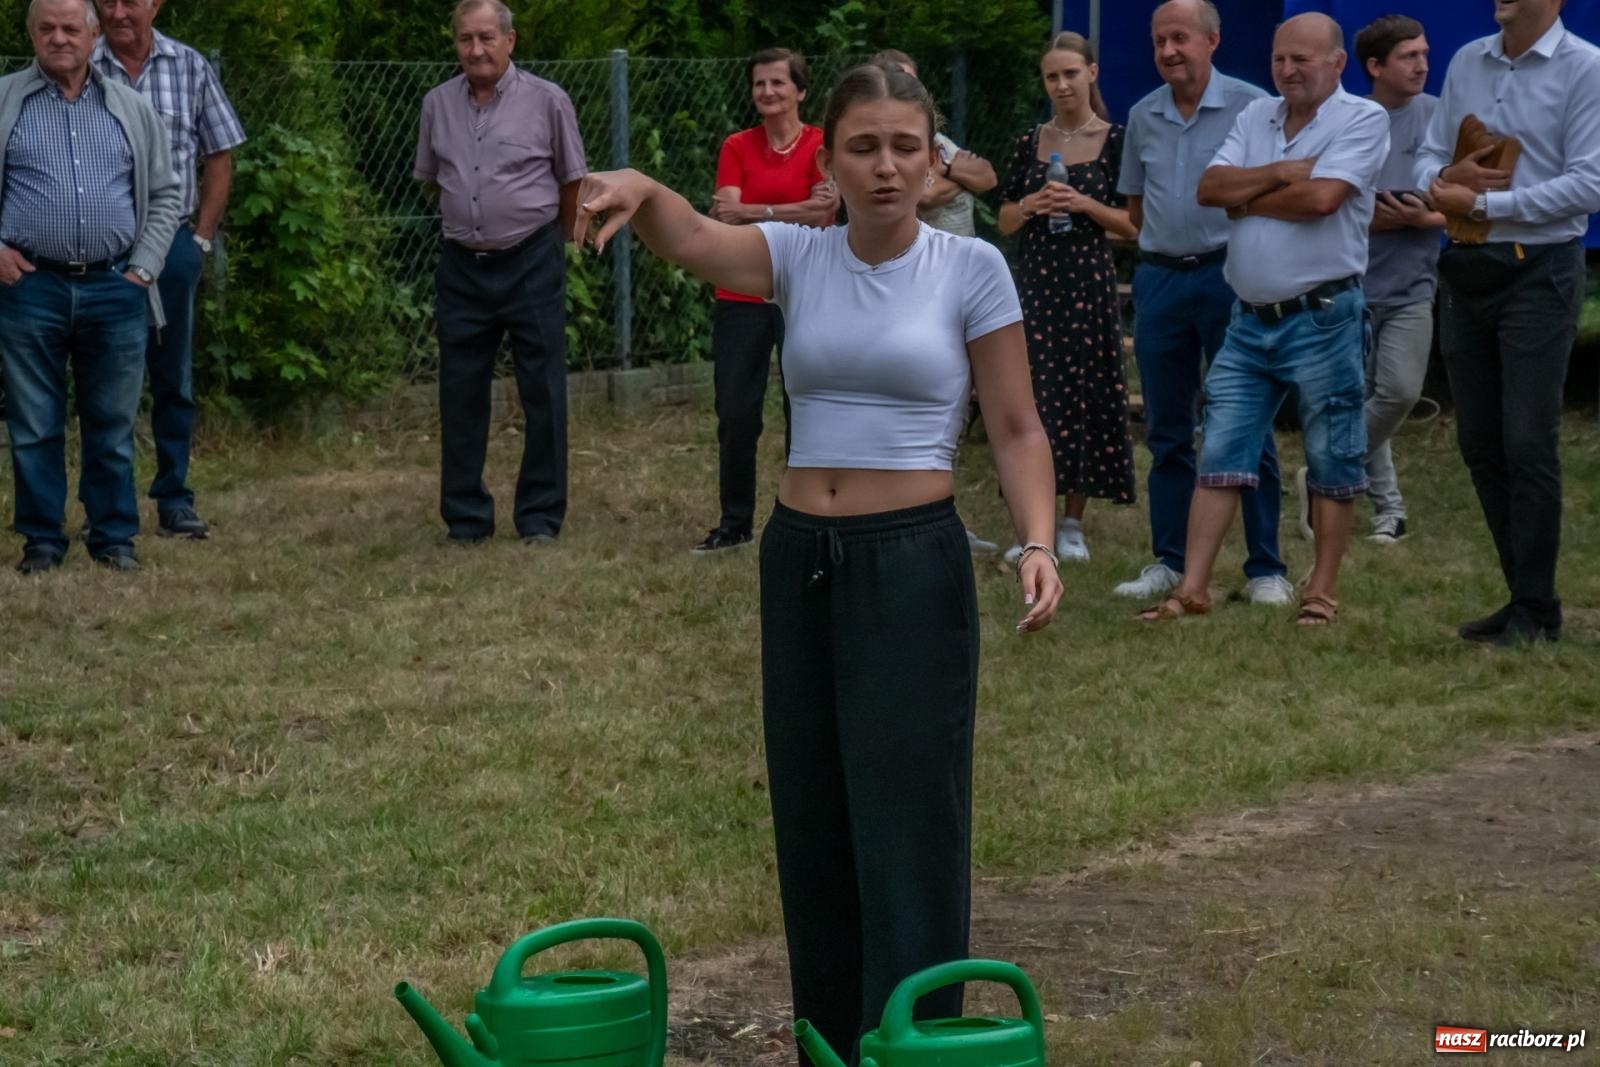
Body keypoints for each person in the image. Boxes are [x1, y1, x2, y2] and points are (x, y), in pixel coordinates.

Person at [573, 62, 1063, 1067]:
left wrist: (1038, 540)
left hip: (911, 559)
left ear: (932, 161)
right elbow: (692, 238)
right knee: (814, 811)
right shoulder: (797, 254)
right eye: (862, 147)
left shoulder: (970, 269)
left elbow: (1017, 427)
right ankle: (828, 1045)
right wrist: (642, 187)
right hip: (798, 557)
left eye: (905, 147)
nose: (885, 167)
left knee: (909, 813)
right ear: (828, 160)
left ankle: (913, 1044)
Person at [1139, 12, 1388, 626]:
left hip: (1323, 315)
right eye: (1280, 58)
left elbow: (1322, 199)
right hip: (1248, 319)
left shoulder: (1362, 118)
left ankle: (1320, 594)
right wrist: (1278, 174)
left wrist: (1247, 198)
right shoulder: (1257, 116)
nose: (1287, 70)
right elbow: (1210, 189)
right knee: (1220, 451)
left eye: (1302, 59)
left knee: (1331, 458)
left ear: (1338, 63)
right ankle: (1192, 591)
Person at [1416, 0, 1600, 646]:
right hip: (1468, 266)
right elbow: (1427, 157)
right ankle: (1526, 597)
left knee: (1527, 440)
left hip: (1540, 269)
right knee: (1480, 442)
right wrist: (1445, 177)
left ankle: (1535, 605)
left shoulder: (1585, 68)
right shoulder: (1469, 60)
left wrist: (1484, 202)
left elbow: (1590, 183)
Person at [1114, 0, 1291, 605]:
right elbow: (1136, 207)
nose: (1168, 51)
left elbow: (1276, 188)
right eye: (1159, 41)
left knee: (1247, 423)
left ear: (1212, 41)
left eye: (1180, 38)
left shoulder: (1253, 106)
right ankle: (1170, 559)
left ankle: (1265, 568)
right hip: (1161, 279)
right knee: (1167, 428)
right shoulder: (1143, 114)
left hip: (1230, 278)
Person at [0, 0, 181, 574]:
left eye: (70, 28)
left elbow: (168, 194)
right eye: (46, 28)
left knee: (112, 424)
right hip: (29, 288)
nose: (59, 38)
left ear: (94, 34)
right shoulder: (4, 102)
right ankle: (42, 541)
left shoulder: (129, 106)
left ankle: (113, 537)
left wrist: (143, 270)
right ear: (30, 34)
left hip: (115, 287)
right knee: (34, 426)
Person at [414, 0, 586, 545]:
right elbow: (432, 179)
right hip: (462, 266)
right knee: (460, 393)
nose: (476, 49)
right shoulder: (436, 104)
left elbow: (572, 181)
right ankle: (466, 519)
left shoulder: (548, 101)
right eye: (465, 39)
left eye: (487, 37)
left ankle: (540, 517)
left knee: (543, 391)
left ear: (510, 41)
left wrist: (555, 242)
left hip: (531, 259)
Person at [93, 0, 246, 540]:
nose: (117, 12)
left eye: (130, 1)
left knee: (172, 378)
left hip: (174, 245)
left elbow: (220, 153)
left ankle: (174, 499)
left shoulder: (189, 66)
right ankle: (106, 506)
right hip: (103, 252)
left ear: (155, 4)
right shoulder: (83, 66)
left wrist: (200, 240)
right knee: (103, 383)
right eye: (106, 1)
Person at [997, 31, 1138, 564]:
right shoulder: (1029, 141)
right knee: (1031, 396)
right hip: (1037, 285)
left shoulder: (1116, 140)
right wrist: (1032, 204)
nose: (1061, 85)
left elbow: (1134, 226)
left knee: (1083, 393)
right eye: (1052, 76)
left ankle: (1073, 521)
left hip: (1087, 285)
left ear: (1091, 73)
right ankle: (1031, 522)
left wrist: (1083, 204)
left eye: (1070, 74)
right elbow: (1004, 220)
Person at [694, 48, 836, 554]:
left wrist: (758, 211)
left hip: (805, 290)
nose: (768, 92)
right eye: (760, 84)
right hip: (742, 289)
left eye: (778, 82)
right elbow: (724, 214)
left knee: (806, 408)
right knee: (736, 411)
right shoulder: (737, 145)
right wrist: (792, 209)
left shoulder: (822, 144)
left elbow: (826, 213)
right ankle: (734, 524)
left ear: (800, 90)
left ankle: (803, 519)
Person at [873, 47, 1004, 556]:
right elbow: (921, 196)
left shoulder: (938, 141)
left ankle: (941, 515)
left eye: (909, 78)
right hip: (912, 281)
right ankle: (898, 511)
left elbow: (988, 178)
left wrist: (945, 171)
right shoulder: (893, 149)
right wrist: (954, 175)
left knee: (952, 401)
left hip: (958, 283)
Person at [1353, 14, 1443, 547]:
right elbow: (1324, 201)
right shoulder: (1350, 119)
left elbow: (1469, 205)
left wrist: (1424, 217)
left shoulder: (1439, 117)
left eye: (1424, 54)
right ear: (1375, 66)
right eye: (1409, 56)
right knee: (1362, 397)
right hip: (1351, 284)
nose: (1422, 65)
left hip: (1413, 284)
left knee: (1400, 392)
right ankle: (1390, 511)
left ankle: (1332, 466)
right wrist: (1371, 218)